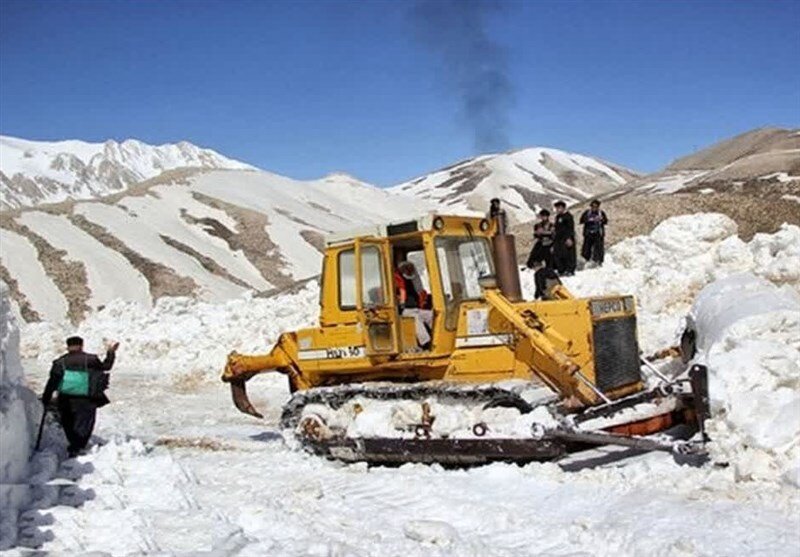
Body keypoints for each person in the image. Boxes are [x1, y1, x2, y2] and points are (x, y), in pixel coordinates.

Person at [42, 336, 119, 457]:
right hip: (86, 397)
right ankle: (78, 446)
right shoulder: (91, 359)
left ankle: (74, 444)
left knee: (68, 422)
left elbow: (52, 381)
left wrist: (46, 399)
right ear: (82, 345)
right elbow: (106, 366)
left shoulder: (60, 362)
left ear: (67, 347)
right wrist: (111, 352)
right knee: (85, 422)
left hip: (65, 398)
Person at [394, 261, 433, 349]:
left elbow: (421, 293)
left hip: (417, 308)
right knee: (415, 319)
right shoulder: (394, 282)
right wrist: (399, 301)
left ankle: (437, 336)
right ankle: (426, 342)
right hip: (405, 310)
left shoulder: (413, 282)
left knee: (432, 315)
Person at [579, 199, 608, 266]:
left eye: (596, 206)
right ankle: (585, 260)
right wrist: (589, 220)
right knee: (586, 247)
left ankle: (598, 261)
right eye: (593, 206)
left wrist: (601, 219)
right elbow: (581, 220)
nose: (594, 208)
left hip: (598, 233)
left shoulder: (601, 213)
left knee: (598, 248)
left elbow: (606, 221)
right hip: (588, 233)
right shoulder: (587, 213)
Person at [552, 200, 577, 276]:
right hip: (559, 238)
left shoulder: (568, 216)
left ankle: (570, 270)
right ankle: (561, 270)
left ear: (563, 208)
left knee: (569, 254)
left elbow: (570, 228)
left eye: (559, 208)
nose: (557, 210)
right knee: (559, 254)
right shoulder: (557, 217)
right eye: (556, 208)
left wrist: (569, 238)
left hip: (566, 238)